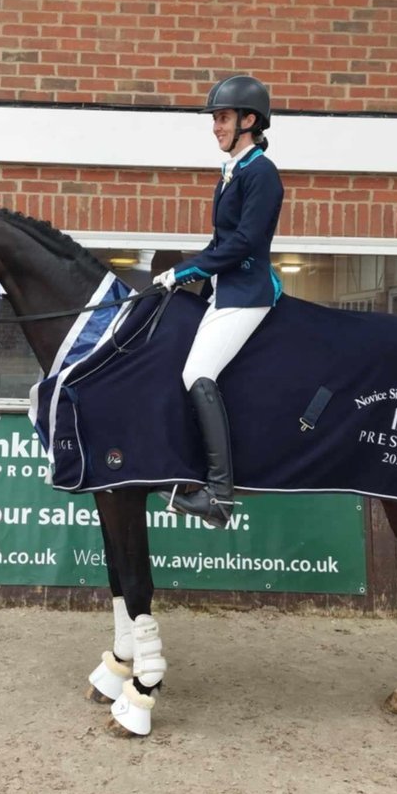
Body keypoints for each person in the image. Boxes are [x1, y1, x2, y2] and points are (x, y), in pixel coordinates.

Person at [152, 75, 284, 529]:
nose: (216, 127)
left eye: (224, 118)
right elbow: (220, 238)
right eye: (215, 119)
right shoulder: (233, 171)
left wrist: (185, 271)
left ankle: (220, 497)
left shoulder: (262, 174)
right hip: (224, 292)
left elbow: (245, 242)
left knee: (197, 373)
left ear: (250, 120)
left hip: (247, 294)